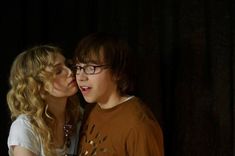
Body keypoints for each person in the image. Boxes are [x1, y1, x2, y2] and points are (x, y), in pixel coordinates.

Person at [73, 32, 164, 156]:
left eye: (91, 68)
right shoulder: (91, 108)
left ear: (117, 72)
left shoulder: (138, 124)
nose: (81, 77)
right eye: (78, 67)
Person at [7, 45, 83, 156]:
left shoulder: (77, 115)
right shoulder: (24, 127)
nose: (70, 72)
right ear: (38, 86)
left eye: (67, 65)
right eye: (58, 71)